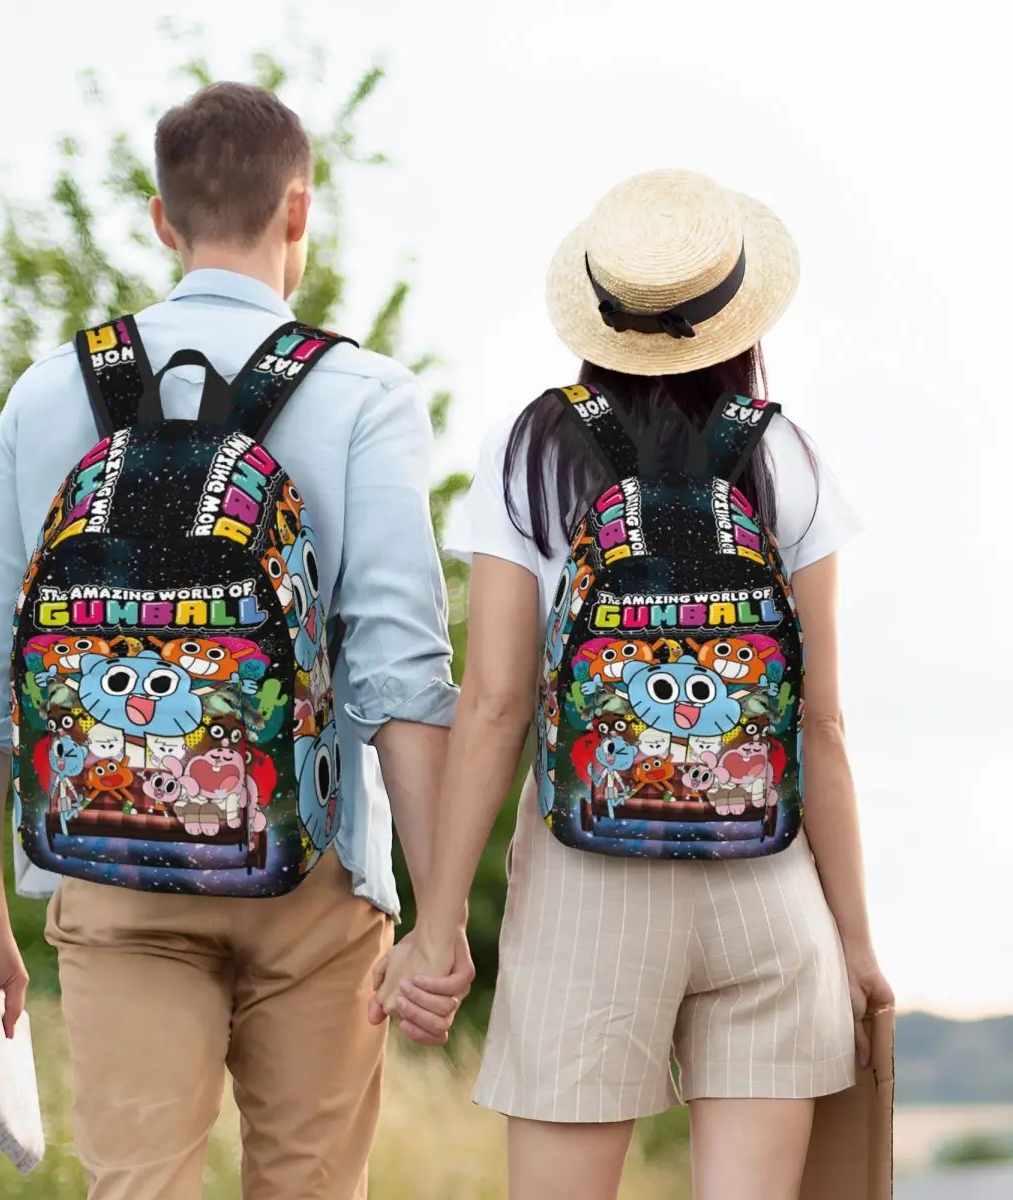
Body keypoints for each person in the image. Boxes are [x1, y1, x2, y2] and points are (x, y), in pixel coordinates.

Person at [0, 81, 474, 1200]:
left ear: (162, 219)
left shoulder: (47, 394)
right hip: (314, 876)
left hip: (109, 868)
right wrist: (440, 915)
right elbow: (401, 678)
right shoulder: (364, 395)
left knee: (138, 1186)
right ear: (299, 213)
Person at [373, 169, 894, 1200]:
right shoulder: (787, 455)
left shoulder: (531, 451)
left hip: (586, 885)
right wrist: (856, 944)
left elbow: (495, 705)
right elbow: (822, 725)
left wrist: (437, 927)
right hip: (768, 884)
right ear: (738, 317)